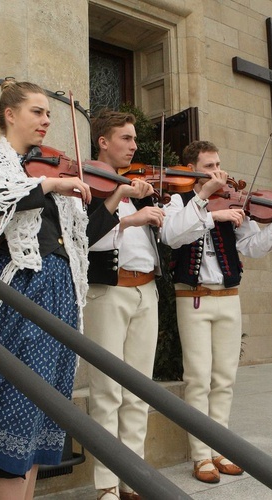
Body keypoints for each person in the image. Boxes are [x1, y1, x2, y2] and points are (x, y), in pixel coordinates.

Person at [0, 79, 98, 500]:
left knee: (40, 414)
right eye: (37, 111)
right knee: (12, 405)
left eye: (49, 113)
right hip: (13, 290)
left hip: (57, 292)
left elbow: (77, 239)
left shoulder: (51, 167)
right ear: (9, 114)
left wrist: (115, 198)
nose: (47, 120)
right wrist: (49, 187)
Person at [160, 140, 272, 483]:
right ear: (192, 169)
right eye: (210, 166)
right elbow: (173, 236)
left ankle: (219, 447)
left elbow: (253, 247)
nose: (219, 173)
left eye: (219, 164)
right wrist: (210, 214)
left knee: (224, 378)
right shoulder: (175, 201)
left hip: (229, 296)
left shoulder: (233, 201)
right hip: (192, 297)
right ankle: (200, 455)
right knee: (198, 378)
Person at [83, 109, 163, 500]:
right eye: (126, 138)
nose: (134, 146)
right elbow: (83, 241)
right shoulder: (88, 185)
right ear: (103, 141)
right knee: (107, 391)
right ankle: (106, 484)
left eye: (134, 139)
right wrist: (126, 211)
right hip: (107, 292)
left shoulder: (135, 184)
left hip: (146, 291)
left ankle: (135, 477)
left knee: (137, 390)